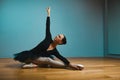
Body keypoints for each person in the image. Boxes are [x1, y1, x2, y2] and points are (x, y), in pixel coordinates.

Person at [14, 7, 84, 70]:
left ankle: (71, 66)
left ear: (60, 42)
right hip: (30, 56)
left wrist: (70, 64)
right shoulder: (48, 38)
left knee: (51, 61)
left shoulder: (54, 51)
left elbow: (61, 58)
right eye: (58, 35)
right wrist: (48, 14)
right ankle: (68, 66)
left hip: (39, 59)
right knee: (49, 60)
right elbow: (47, 26)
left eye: (59, 37)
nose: (57, 36)